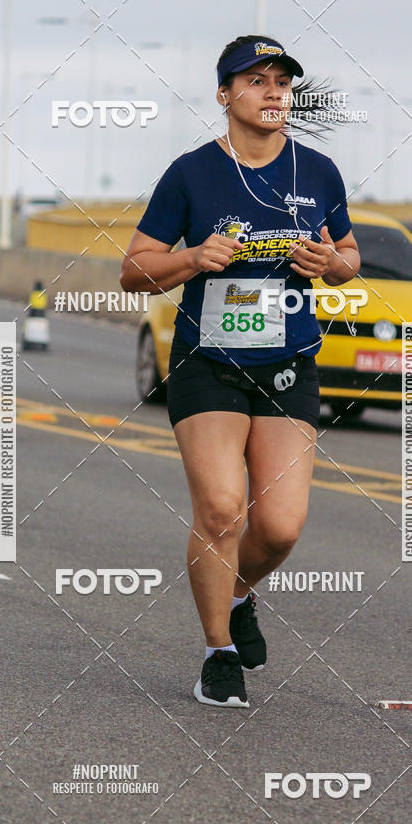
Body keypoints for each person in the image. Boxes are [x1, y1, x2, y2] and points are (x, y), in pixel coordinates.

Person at [120, 35, 360, 708]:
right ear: (225, 95)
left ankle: (241, 593)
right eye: (255, 80)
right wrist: (193, 258)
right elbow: (134, 269)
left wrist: (332, 266)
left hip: (289, 364)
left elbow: (348, 253)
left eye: (281, 81)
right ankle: (217, 651)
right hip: (208, 363)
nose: (274, 91)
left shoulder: (318, 172)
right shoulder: (191, 174)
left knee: (280, 527)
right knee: (223, 507)